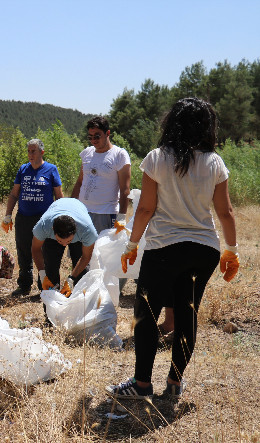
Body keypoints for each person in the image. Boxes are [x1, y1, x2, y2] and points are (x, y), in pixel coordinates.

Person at [106, 97, 239, 402]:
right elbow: (226, 212)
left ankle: (141, 385)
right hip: (203, 250)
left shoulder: (157, 158)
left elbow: (146, 209)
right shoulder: (215, 162)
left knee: (146, 313)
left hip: (164, 248)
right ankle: (175, 384)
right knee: (186, 312)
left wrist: (132, 244)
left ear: (172, 123)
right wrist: (231, 250)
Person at [1, 139, 64, 296]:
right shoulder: (23, 169)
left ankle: (44, 286)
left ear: (42, 152)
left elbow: (59, 195)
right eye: (28, 151)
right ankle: (24, 285)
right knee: (24, 252)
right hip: (24, 218)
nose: (30, 154)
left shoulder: (51, 169)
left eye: (33, 151)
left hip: (44, 220)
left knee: (45, 253)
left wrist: (60, 217)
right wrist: (8, 215)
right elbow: (15, 193)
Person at [71, 116, 131, 233]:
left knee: (99, 251)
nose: (94, 140)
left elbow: (125, 189)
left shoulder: (119, 155)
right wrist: (70, 207)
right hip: (82, 212)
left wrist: (121, 217)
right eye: (90, 137)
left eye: (97, 136)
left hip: (105, 214)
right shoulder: (87, 153)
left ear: (107, 133)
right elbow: (79, 182)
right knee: (77, 250)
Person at [31, 198, 98, 296]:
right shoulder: (44, 226)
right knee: (50, 269)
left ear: (75, 231)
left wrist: (71, 279)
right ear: (53, 229)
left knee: (81, 275)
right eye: (59, 241)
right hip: (56, 212)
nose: (64, 245)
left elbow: (85, 257)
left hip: (78, 212)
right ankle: (50, 309)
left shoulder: (87, 231)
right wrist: (42, 276)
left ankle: (80, 306)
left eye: (69, 241)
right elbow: (35, 249)